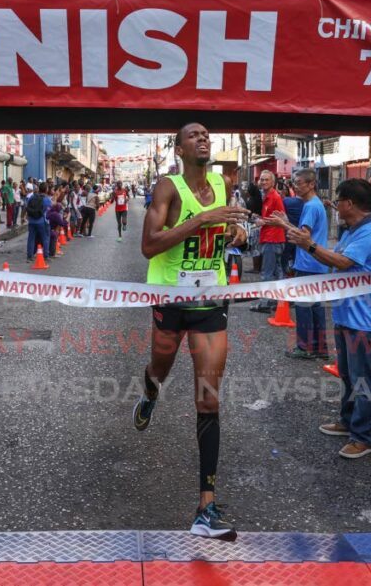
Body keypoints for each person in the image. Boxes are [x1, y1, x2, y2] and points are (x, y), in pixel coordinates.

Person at [135, 122, 248, 540]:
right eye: (193, 135)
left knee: (208, 397)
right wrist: (202, 219)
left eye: (206, 133)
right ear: (179, 148)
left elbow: (230, 230)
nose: (203, 138)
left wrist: (235, 232)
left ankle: (206, 506)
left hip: (209, 302)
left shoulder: (222, 183)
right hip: (170, 300)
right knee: (160, 368)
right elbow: (149, 244)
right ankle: (149, 392)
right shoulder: (168, 187)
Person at [274, 179, 371, 458]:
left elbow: (342, 262)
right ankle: (348, 422)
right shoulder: (354, 230)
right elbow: (329, 253)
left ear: (349, 203)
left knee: (361, 379)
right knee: (348, 375)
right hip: (345, 313)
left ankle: (363, 437)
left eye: (338, 202)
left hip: (363, 319)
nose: (335, 207)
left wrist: (310, 246)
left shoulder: (370, 233)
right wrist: (288, 229)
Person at [291, 168, 329, 359]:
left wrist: (282, 224)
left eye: (299, 183)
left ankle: (304, 347)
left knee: (304, 307)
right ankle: (320, 348)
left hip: (308, 264)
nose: (295, 187)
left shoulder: (311, 206)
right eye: (294, 183)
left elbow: (304, 236)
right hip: (316, 264)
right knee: (316, 308)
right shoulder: (315, 204)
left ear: (311, 184)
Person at [252, 170, 286, 313]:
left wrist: (262, 221)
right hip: (274, 238)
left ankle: (265, 303)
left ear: (273, 182)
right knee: (277, 272)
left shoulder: (274, 197)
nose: (263, 182)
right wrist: (261, 218)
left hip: (272, 239)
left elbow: (281, 218)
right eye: (262, 179)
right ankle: (278, 301)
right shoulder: (269, 196)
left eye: (266, 180)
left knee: (267, 272)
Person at [25, 180, 51, 261]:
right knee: (45, 238)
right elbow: (48, 210)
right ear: (46, 189)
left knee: (31, 238)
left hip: (32, 221)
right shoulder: (47, 199)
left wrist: (24, 217)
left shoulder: (32, 197)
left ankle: (30, 256)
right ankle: (45, 255)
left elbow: (26, 207)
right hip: (42, 221)